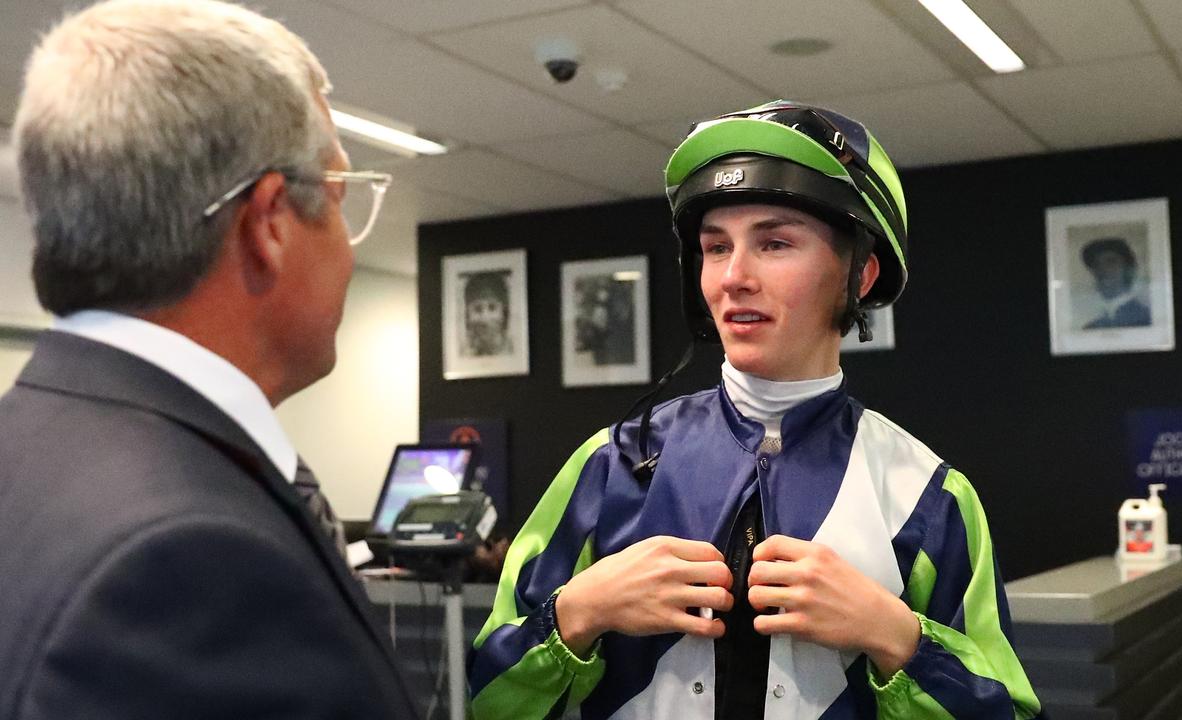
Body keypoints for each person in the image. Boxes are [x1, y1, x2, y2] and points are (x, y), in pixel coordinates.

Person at [467, 101, 1041, 718]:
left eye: (774, 243)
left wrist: (896, 637)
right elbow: (490, 700)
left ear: (862, 275)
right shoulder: (614, 465)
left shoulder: (925, 495)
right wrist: (580, 613)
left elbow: (1009, 709)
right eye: (715, 248)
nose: (733, 276)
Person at [0, 1, 415, 718]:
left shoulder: (30, 448)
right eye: (342, 198)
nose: (349, 251)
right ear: (271, 222)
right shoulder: (189, 563)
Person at [1080, 237, 1151, 329]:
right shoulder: (1091, 328)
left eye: (1111, 262)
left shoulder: (1146, 319)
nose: (1103, 269)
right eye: (1096, 264)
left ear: (1128, 268)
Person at [463, 271, 514, 356]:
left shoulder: (515, 352)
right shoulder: (462, 354)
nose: (485, 318)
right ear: (468, 316)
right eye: (477, 309)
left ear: (504, 314)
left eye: (492, 308)